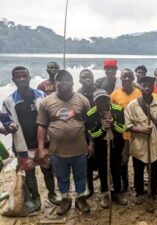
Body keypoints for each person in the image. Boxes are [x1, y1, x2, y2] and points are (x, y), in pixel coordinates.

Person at [0, 66, 60, 212]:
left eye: (24, 76)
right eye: (18, 77)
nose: (22, 79)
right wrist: (10, 125)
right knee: (29, 173)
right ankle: (36, 197)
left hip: (43, 143)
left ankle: (52, 194)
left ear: (29, 78)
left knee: (48, 169)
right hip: (23, 145)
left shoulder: (41, 95)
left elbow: (51, 114)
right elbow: (4, 118)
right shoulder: (8, 101)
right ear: (13, 80)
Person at [37, 70, 91, 215]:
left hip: (80, 149)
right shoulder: (46, 102)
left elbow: (90, 124)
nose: (63, 82)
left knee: (81, 175)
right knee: (62, 177)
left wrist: (91, 143)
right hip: (57, 151)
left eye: (67, 79)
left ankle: (80, 198)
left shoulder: (83, 100)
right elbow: (41, 126)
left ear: (73, 83)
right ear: (55, 84)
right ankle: (65, 199)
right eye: (59, 80)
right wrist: (41, 149)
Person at [124, 76, 157, 205]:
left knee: (154, 171)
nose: (147, 88)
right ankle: (139, 193)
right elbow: (128, 125)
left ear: (153, 87)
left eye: (149, 85)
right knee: (138, 171)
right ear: (139, 87)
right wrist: (141, 129)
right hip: (138, 147)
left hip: (155, 145)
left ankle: (153, 192)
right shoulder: (132, 105)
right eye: (144, 85)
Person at [86, 89, 127, 208]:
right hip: (100, 146)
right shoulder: (91, 113)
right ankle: (105, 192)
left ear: (109, 99)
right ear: (95, 102)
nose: (102, 103)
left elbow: (122, 129)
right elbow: (92, 134)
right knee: (103, 169)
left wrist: (113, 122)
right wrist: (103, 128)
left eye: (105, 100)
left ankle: (117, 192)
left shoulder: (118, 110)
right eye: (99, 101)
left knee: (116, 168)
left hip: (116, 144)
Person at [111, 69, 141, 192]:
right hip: (120, 133)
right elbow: (111, 113)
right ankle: (124, 183)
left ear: (133, 78)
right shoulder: (115, 95)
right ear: (121, 78)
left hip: (136, 132)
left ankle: (138, 185)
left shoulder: (139, 93)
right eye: (124, 76)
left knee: (137, 160)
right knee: (122, 161)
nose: (127, 79)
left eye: (129, 76)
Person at [77, 69, 97, 198]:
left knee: (100, 159)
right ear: (80, 80)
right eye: (84, 78)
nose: (87, 80)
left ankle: (106, 187)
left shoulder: (98, 92)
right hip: (84, 132)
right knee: (87, 161)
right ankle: (89, 187)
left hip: (99, 129)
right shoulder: (77, 95)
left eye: (89, 77)